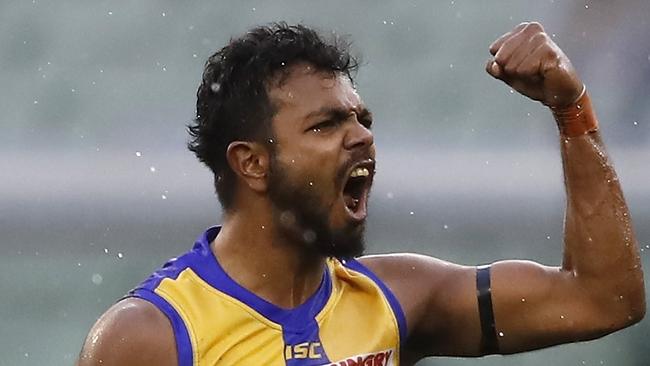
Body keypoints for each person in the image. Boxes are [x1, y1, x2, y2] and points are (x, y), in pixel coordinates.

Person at [77, 22, 645, 366]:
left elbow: (605, 298)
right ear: (251, 163)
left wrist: (572, 113)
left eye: (362, 117)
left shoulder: (399, 300)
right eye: (326, 125)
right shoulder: (148, 338)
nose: (363, 136)